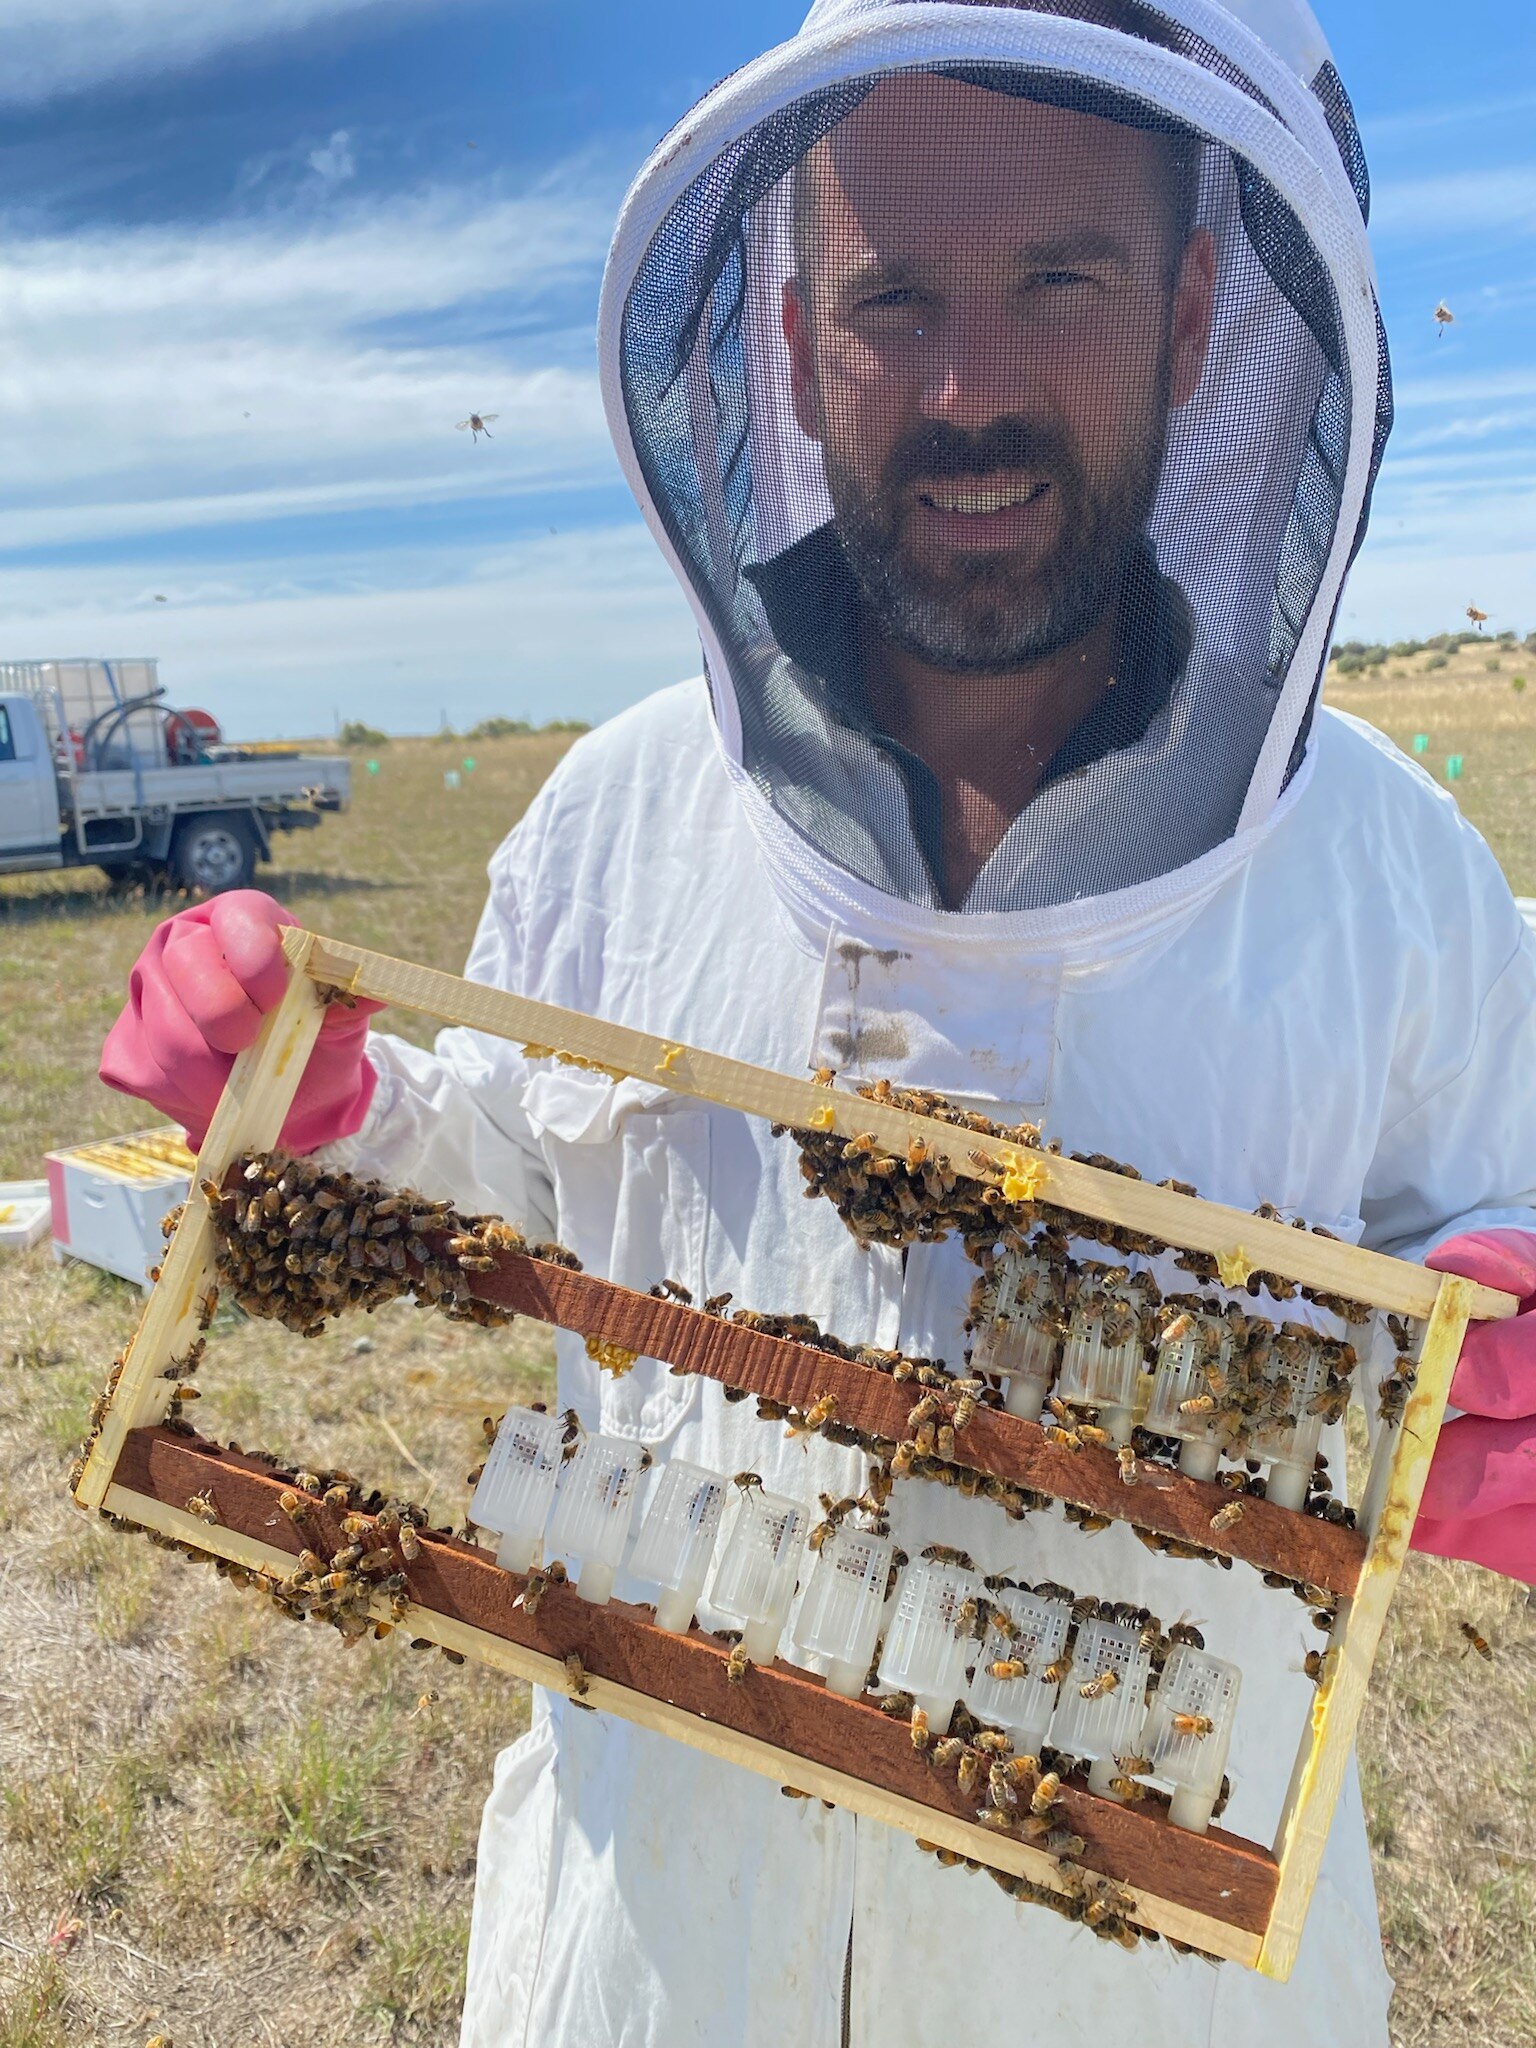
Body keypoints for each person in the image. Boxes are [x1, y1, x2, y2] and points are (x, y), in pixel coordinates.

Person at [101, 3, 1536, 2043]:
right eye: (893, 296)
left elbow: (1495, 1229)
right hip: (654, 1949)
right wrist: (330, 1106)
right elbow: (507, 1177)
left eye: (1062, 277)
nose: (969, 386)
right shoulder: (615, 808)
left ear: (1206, 308)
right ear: (782, 336)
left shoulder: (1400, 876)